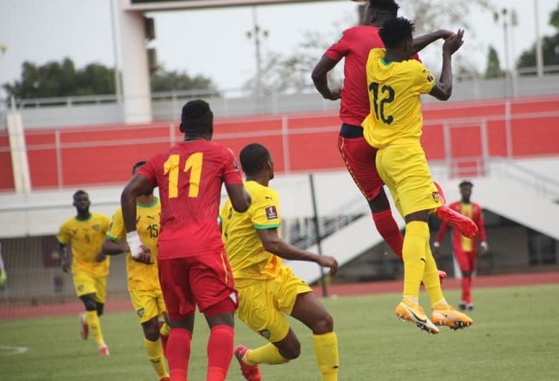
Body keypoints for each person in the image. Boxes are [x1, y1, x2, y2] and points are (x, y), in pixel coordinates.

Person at [311, 0, 462, 268]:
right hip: (390, 139)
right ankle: (438, 202)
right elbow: (436, 83)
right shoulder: (410, 58)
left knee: (378, 203)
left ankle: (409, 260)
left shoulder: (355, 36)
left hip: (355, 137)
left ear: (372, 15)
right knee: (413, 185)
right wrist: (440, 38)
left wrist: (328, 93)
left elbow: (318, 73)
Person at [121, 99, 251, 381]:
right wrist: (247, 192)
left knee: (179, 326)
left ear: (181, 127)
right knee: (221, 322)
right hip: (205, 247)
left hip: (169, 252)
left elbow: (128, 192)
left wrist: (133, 240)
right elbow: (240, 204)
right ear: (211, 126)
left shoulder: (160, 159)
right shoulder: (221, 154)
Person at [362, 17, 474, 334]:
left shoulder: (374, 60)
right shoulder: (411, 71)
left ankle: (438, 305)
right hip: (406, 155)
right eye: (411, 41)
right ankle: (410, 298)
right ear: (406, 45)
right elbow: (445, 91)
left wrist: (437, 35)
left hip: (384, 158)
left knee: (417, 227)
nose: (414, 44)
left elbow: (404, 47)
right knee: (419, 226)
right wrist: (447, 53)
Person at [221, 143, 340, 381]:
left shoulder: (231, 200)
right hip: (248, 287)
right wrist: (317, 257)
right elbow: (271, 243)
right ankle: (247, 358)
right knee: (290, 350)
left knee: (323, 321)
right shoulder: (264, 194)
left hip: (274, 274)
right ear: (268, 164)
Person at [103, 161, 170, 381]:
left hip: (167, 277)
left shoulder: (167, 206)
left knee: (174, 323)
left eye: (146, 176)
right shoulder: (125, 211)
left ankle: (166, 336)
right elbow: (106, 245)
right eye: (138, 177)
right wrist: (127, 247)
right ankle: (164, 377)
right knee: (150, 331)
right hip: (140, 281)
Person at [57, 190, 111, 355]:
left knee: (99, 309)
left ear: (89, 202)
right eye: (79, 200)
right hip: (81, 269)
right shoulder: (68, 226)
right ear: (74, 204)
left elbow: (113, 236)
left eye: (84, 199)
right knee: (89, 304)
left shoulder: (102, 220)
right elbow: (61, 243)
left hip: (100, 268)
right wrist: (64, 259)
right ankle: (101, 344)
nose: (82, 202)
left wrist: (105, 250)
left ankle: (85, 319)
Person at [433, 180, 488, 311]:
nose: (467, 192)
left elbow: (480, 227)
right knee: (465, 271)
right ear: (460, 191)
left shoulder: (477, 208)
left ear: (471, 191)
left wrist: (483, 242)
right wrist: (437, 242)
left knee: (469, 273)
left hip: (472, 246)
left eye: (469, 189)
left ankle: (463, 299)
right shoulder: (454, 207)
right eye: (464, 189)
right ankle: (469, 301)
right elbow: (444, 225)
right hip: (459, 246)